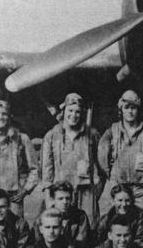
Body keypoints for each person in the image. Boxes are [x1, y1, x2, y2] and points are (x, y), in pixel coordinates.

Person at [97, 90, 143, 215]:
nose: (130, 111)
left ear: (138, 109)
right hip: (118, 186)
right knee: (119, 221)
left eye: (133, 108)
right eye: (126, 108)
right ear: (121, 109)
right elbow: (102, 156)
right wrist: (112, 175)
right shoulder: (112, 130)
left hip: (142, 188)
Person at [41, 93, 103, 226]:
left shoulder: (92, 134)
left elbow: (102, 164)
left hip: (85, 192)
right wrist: (48, 198)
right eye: (70, 111)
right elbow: (47, 170)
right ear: (63, 111)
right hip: (60, 193)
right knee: (59, 228)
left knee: (88, 227)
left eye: (77, 112)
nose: (73, 115)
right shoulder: (52, 135)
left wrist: (96, 192)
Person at [33, 181, 91, 248]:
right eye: (60, 199)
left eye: (68, 198)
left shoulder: (80, 216)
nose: (65, 202)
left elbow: (80, 242)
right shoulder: (44, 217)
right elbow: (38, 242)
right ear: (53, 200)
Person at [96, 184, 143, 248]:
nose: (124, 204)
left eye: (127, 200)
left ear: (132, 201)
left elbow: (140, 242)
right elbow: (99, 242)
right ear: (113, 201)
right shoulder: (105, 220)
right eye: (120, 200)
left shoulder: (141, 217)